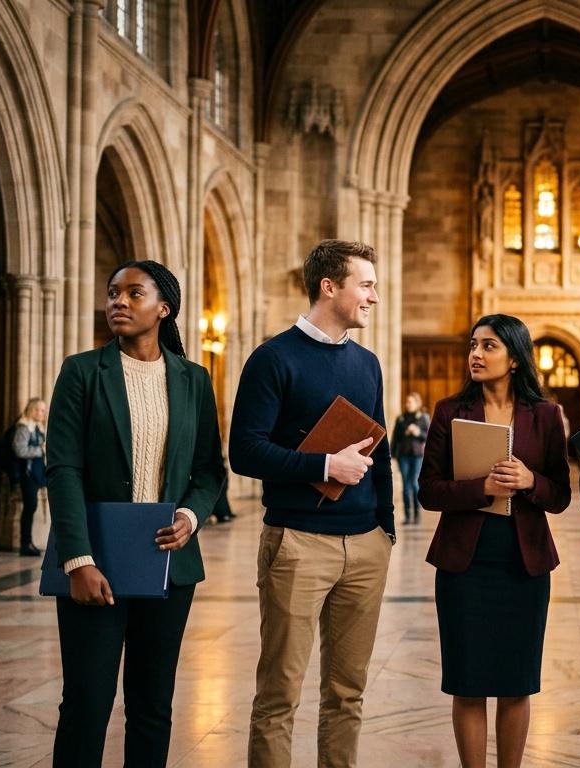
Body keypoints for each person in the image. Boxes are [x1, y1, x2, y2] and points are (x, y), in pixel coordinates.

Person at [45, 259, 226, 767]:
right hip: (95, 563)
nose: (118, 301)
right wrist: (77, 559)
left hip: (167, 565)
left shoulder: (193, 379)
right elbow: (63, 469)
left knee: (152, 705)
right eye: (112, 293)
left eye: (133, 293)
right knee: (86, 702)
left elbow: (211, 469)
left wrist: (190, 518)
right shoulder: (82, 371)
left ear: (163, 308)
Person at [230, 238, 395, 768]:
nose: (373, 296)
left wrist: (385, 530)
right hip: (298, 544)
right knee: (279, 695)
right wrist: (325, 466)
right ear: (330, 287)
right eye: (365, 284)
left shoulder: (367, 364)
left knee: (347, 694)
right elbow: (244, 451)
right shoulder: (272, 358)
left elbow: (380, 448)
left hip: (365, 547)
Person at [418, 314, 571, 768]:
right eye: (473, 345)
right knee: (467, 682)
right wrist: (480, 488)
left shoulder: (545, 416)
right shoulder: (450, 411)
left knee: (516, 682)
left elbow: (561, 495)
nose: (475, 355)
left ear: (515, 359)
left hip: (523, 566)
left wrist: (529, 481)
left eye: (488, 346)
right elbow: (428, 490)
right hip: (464, 565)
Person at [13, 397, 48, 556]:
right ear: (32, 410)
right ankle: (25, 544)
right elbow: (20, 450)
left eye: (43, 410)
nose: (42, 413)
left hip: (35, 473)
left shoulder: (37, 427)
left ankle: (29, 543)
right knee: (30, 506)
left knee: (31, 507)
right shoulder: (24, 427)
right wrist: (40, 450)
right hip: (27, 474)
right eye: (40, 410)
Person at [391, 392, 430, 524]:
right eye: (407, 402)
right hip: (403, 455)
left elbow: (429, 437)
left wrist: (418, 432)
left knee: (414, 484)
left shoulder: (423, 417)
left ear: (417, 403)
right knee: (405, 485)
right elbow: (395, 438)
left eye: (411, 402)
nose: (408, 404)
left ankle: (417, 514)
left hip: (417, 455)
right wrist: (393, 454)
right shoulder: (401, 418)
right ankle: (407, 516)